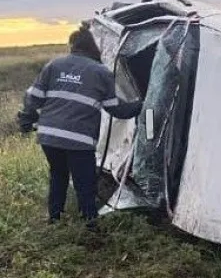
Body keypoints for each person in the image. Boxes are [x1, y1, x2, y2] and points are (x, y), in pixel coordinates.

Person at [16, 24, 143, 229]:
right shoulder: (101, 72)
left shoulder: (54, 65)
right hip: (79, 140)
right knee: (85, 183)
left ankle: (54, 219)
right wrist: (143, 105)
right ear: (94, 48)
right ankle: (90, 225)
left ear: (73, 46)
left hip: (49, 137)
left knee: (58, 175)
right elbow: (117, 110)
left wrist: (26, 118)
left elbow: (33, 98)